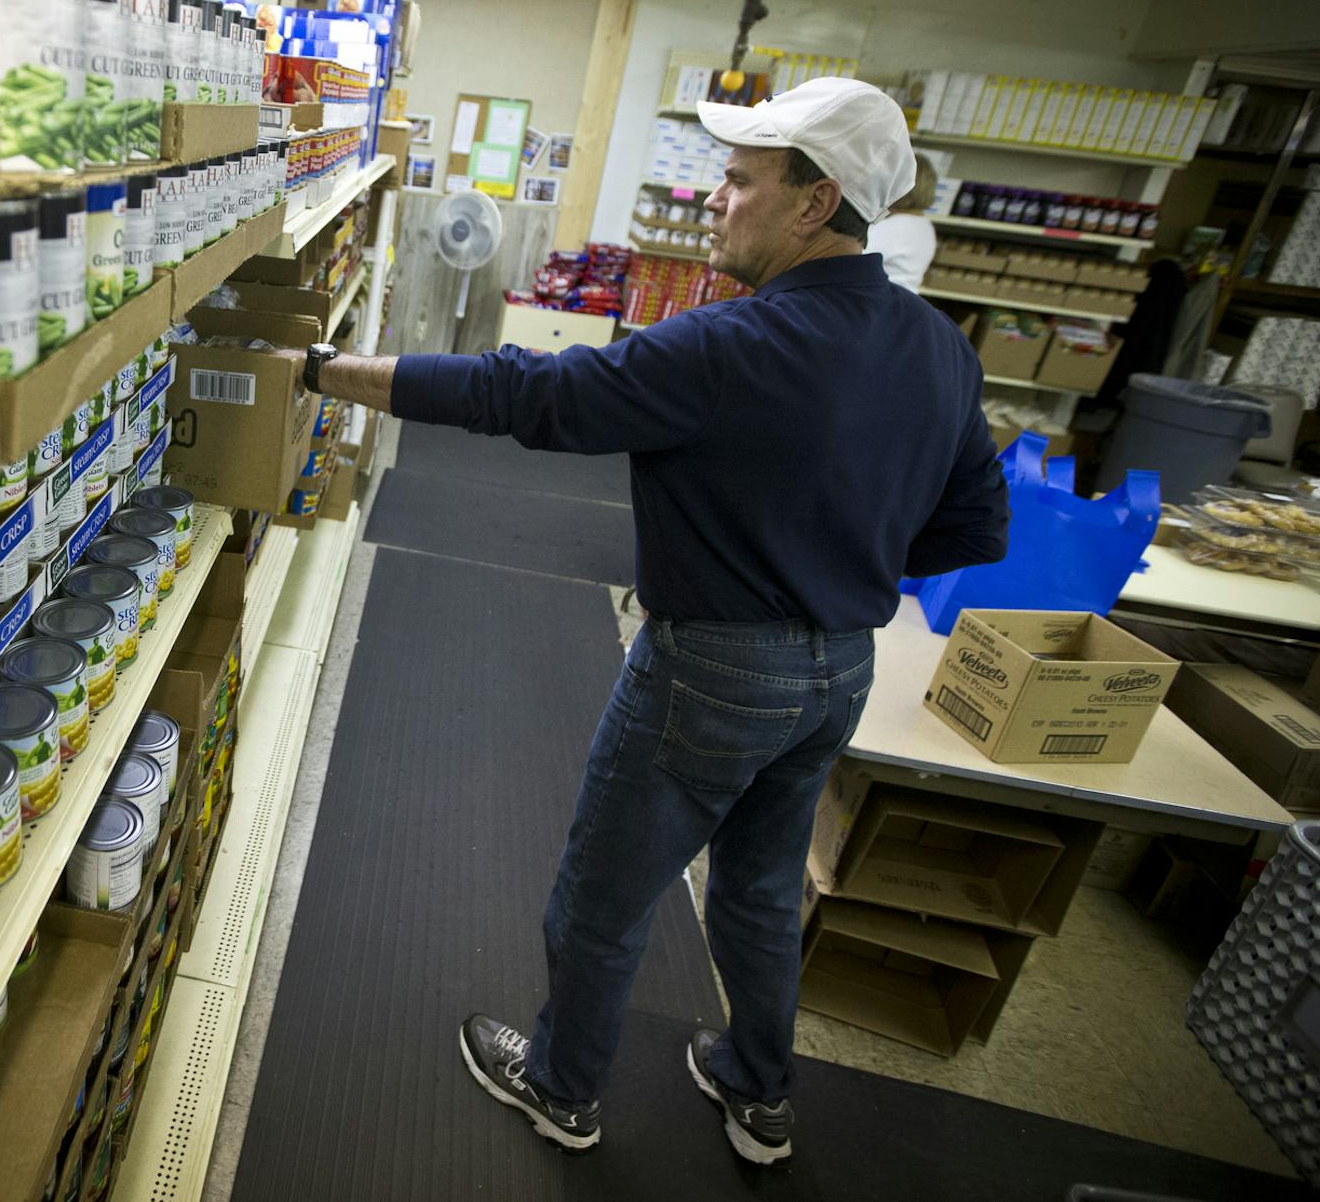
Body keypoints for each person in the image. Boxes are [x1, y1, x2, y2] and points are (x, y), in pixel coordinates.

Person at [276, 78, 1007, 1166]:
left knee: (604, 893)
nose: (720, 201)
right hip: (837, 671)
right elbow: (975, 526)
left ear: (815, 204)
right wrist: (837, 553)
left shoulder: (732, 345)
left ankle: (564, 1085)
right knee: (761, 889)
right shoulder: (939, 347)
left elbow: (530, 395)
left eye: (743, 182)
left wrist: (331, 372)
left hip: (715, 666)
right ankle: (756, 1089)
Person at [866, 151, 940, 291]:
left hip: (879, 300)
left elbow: (848, 259)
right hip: (903, 301)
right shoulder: (922, 223)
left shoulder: (895, 227)